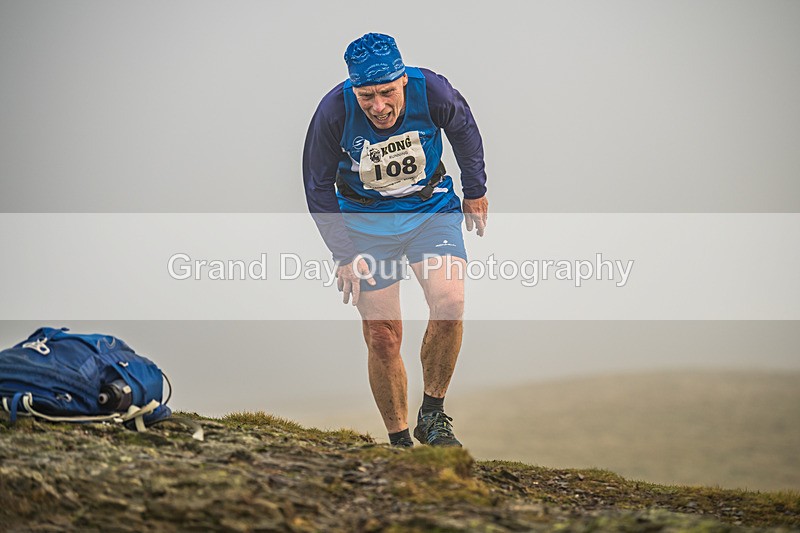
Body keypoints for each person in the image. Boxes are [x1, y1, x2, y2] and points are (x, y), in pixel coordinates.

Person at [303, 33, 488, 448]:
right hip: (364, 223)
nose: (379, 106)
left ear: (402, 80)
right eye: (367, 96)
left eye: (387, 92)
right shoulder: (334, 110)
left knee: (450, 302)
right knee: (383, 336)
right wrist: (343, 254)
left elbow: (464, 128)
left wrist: (475, 189)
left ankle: (434, 416)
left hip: (429, 210)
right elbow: (316, 185)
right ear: (354, 88)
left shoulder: (433, 90)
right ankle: (400, 441)